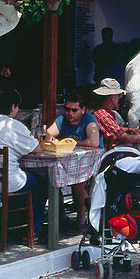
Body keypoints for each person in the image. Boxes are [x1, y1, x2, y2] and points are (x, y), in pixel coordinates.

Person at [0, 89, 48, 231]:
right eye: (17, 107)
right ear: (12, 106)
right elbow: (37, 149)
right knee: (43, 184)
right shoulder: (14, 125)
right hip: (9, 182)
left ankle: (11, 223)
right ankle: (33, 230)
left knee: (25, 177)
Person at [45, 91, 102, 230]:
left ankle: (81, 221)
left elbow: (94, 142)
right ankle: (60, 217)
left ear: (83, 110)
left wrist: (71, 143)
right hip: (67, 161)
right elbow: (49, 135)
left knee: (79, 184)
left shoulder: (89, 120)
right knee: (52, 182)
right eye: (67, 109)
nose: (70, 113)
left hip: (90, 162)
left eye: (74, 110)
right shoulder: (62, 119)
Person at [91, 78, 140, 156]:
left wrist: (130, 129)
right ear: (112, 97)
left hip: (119, 148)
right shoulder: (104, 115)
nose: (119, 98)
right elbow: (127, 138)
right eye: (118, 95)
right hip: (117, 152)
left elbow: (112, 130)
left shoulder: (102, 112)